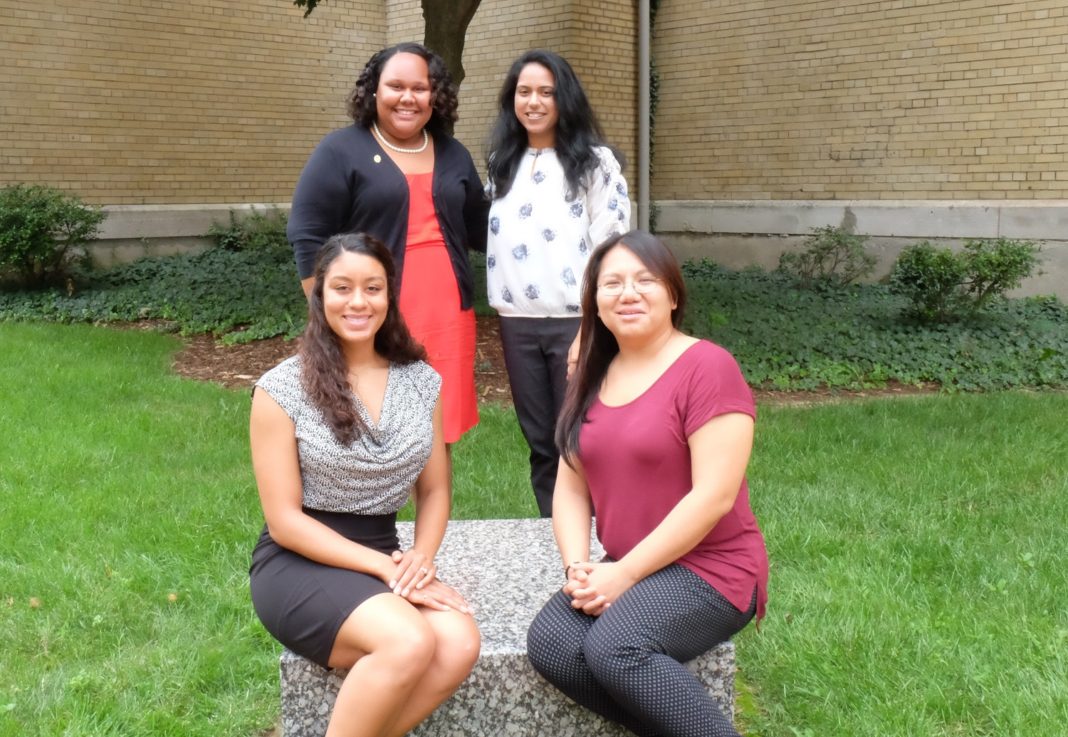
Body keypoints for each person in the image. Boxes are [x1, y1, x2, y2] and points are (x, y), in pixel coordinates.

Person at [526, 230, 768, 737]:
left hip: (711, 567)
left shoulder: (707, 367)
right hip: (633, 565)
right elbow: (571, 485)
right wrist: (579, 567)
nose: (628, 293)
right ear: (595, 301)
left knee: (616, 647)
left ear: (673, 294)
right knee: (551, 644)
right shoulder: (593, 373)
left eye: (645, 280)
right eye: (612, 283)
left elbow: (714, 497)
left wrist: (625, 574)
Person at [249, 233, 480, 737]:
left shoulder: (421, 380)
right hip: (299, 562)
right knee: (408, 641)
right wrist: (387, 569)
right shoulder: (280, 389)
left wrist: (421, 558)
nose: (358, 302)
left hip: (384, 552)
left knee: (459, 642)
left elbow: (435, 490)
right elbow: (285, 522)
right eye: (343, 288)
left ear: (389, 295)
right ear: (320, 296)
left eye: (373, 288)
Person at [287, 42, 488, 444]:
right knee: (374, 425)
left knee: (436, 430)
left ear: (435, 96)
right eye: (396, 86)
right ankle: (373, 506)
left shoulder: (452, 153)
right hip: (375, 311)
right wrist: (329, 315)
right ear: (374, 90)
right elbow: (307, 235)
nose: (408, 97)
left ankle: (433, 509)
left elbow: (482, 228)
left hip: (447, 315)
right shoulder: (341, 150)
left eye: (420, 87)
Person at [485, 49, 631, 516]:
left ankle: (603, 535)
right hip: (517, 322)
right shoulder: (500, 163)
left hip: (576, 321)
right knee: (541, 441)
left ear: (564, 99)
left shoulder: (595, 163)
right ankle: (553, 538)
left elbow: (612, 248)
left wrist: (592, 327)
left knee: (584, 436)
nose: (533, 102)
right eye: (524, 92)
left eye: (546, 92)